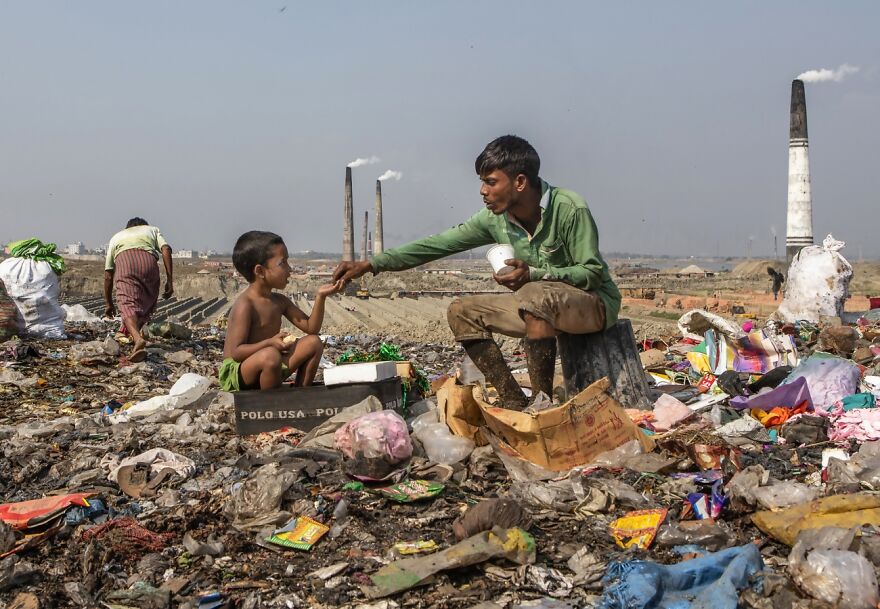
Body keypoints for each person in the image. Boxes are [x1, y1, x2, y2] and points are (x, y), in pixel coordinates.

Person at [334, 135, 621, 410]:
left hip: (592, 305)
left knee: (534, 295)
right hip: (538, 311)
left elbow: (592, 272)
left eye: (490, 182)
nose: (483, 191)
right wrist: (371, 264)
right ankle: (513, 399)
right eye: (482, 182)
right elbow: (436, 245)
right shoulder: (494, 220)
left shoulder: (569, 209)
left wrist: (533, 274)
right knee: (461, 312)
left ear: (519, 182)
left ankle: (542, 403)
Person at [219, 231, 343, 391]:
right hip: (239, 372)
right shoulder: (245, 304)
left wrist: (321, 297)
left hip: (271, 364)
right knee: (270, 355)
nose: (290, 269)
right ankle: (272, 405)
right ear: (260, 271)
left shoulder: (279, 301)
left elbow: (311, 328)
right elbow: (236, 352)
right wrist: (269, 343)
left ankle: (300, 394)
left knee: (314, 342)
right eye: (282, 263)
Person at [104, 218, 174, 362]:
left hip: (125, 261)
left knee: (127, 303)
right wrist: (169, 280)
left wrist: (109, 303)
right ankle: (132, 332)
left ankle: (137, 339)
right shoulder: (152, 230)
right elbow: (166, 248)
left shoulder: (116, 237)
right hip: (148, 262)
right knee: (146, 298)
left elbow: (108, 274)